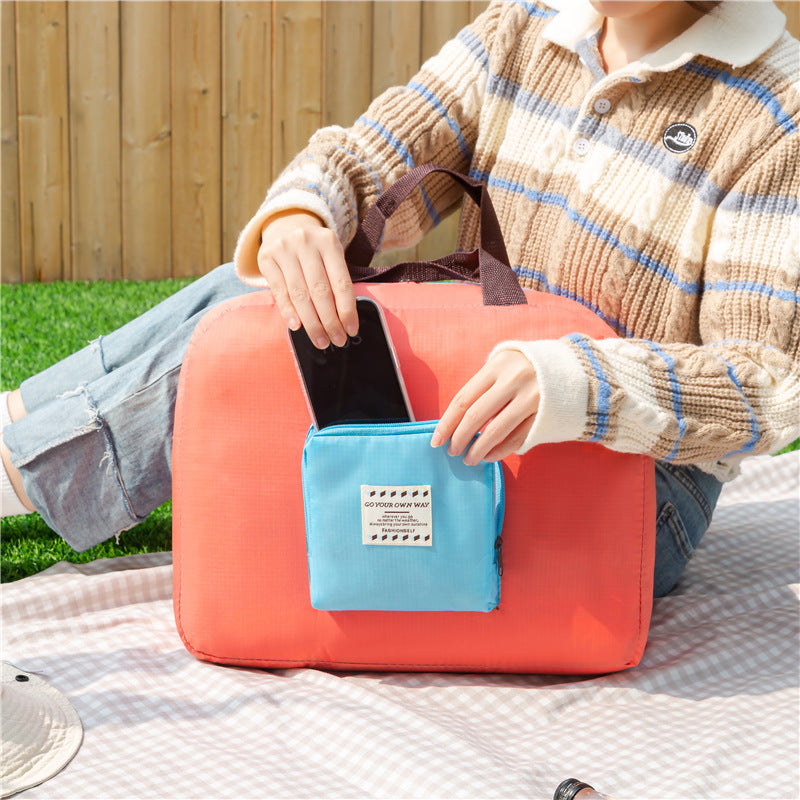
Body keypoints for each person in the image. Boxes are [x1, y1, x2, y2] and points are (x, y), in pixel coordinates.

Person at [2, 0, 798, 597]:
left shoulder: (776, 111)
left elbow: (764, 382)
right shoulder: (527, 24)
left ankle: (21, 468)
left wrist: (580, 383)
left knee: (262, 341)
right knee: (267, 290)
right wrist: (305, 214)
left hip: (633, 490)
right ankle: (21, 428)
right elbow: (374, 154)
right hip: (476, 395)